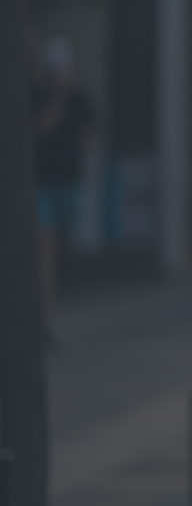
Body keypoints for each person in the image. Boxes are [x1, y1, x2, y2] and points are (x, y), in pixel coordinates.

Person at [33, 35, 95, 305]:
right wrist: (57, 100)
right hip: (43, 179)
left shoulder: (80, 98)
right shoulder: (37, 97)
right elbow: (37, 130)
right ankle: (46, 293)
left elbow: (90, 133)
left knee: (68, 236)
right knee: (45, 236)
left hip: (71, 177)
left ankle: (70, 279)